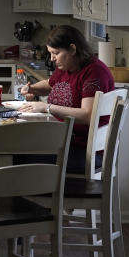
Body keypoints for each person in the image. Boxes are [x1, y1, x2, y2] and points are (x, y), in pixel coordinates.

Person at [18, 24, 114, 175]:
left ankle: (30, 197)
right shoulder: (67, 67)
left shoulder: (94, 72)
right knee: (17, 149)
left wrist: (46, 107)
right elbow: (49, 84)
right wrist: (32, 89)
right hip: (64, 142)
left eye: (56, 53)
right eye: (50, 53)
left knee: (18, 157)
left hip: (85, 151)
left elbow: (88, 115)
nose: (52, 59)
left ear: (72, 49)